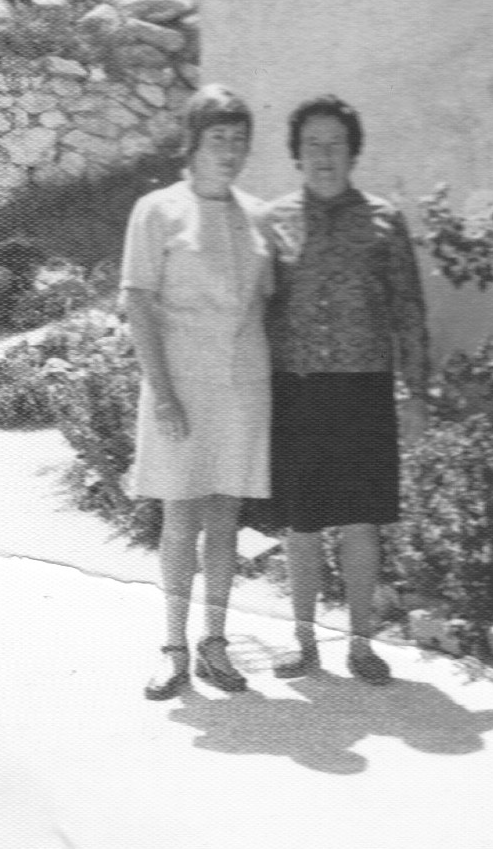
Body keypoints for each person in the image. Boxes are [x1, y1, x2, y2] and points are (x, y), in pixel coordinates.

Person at [264, 94, 429, 686]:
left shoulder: (384, 220)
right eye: (312, 143)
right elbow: (258, 310)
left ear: (353, 151)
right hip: (296, 391)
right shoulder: (274, 220)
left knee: (361, 523)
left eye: (335, 143)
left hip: (364, 389)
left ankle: (361, 645)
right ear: (297, 153)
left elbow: (409, 311)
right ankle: (304, 643)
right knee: (302, 525)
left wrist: (417, 394)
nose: (324, 154)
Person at [120, 84, 272, 699]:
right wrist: (162, 392)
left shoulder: (258, 215)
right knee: (180, 516)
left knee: (225, 519)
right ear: (193, 143)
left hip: (242, 388)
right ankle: (173, 648)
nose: (229, 152)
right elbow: (137, 302)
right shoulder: (157, 211)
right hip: (178, 388)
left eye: (239, 141)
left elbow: (268, 306)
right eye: (218, 139)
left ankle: (214, 643)